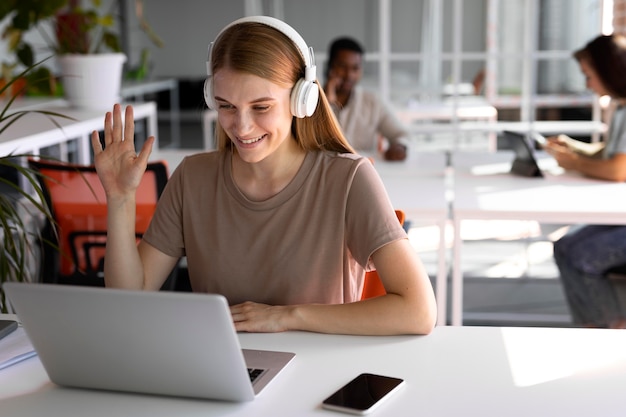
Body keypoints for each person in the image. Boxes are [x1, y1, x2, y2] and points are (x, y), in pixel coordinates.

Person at [91, 16, 437, 336]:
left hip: (317, 380)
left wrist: (286, 316)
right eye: (226, 105)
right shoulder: (192, 178)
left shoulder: (348, 180)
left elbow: (419, 310)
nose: (240, 127)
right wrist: (120, 199)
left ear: (302, 100)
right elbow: (130, 297)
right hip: (219, 373)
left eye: (261, 107)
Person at [545, 34, 626, 328]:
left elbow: (618, 169)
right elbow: (608, 152)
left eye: (589, 76)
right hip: (621, 216)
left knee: (582, 256)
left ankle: (612, 332)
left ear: (609, 70)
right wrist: (572, 147)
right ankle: (589, 327)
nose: (588, 84)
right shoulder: (620, 107)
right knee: (564, 246)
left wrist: (573, 162)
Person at [324, 37, 410, 161]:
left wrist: (400, 147)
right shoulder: (312, 101)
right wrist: (327, 101)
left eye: (355, 68)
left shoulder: (372, 102)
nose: (349, 75)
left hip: (362, 173)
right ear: (330, 67)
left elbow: (402, 134)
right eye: (342, 67)